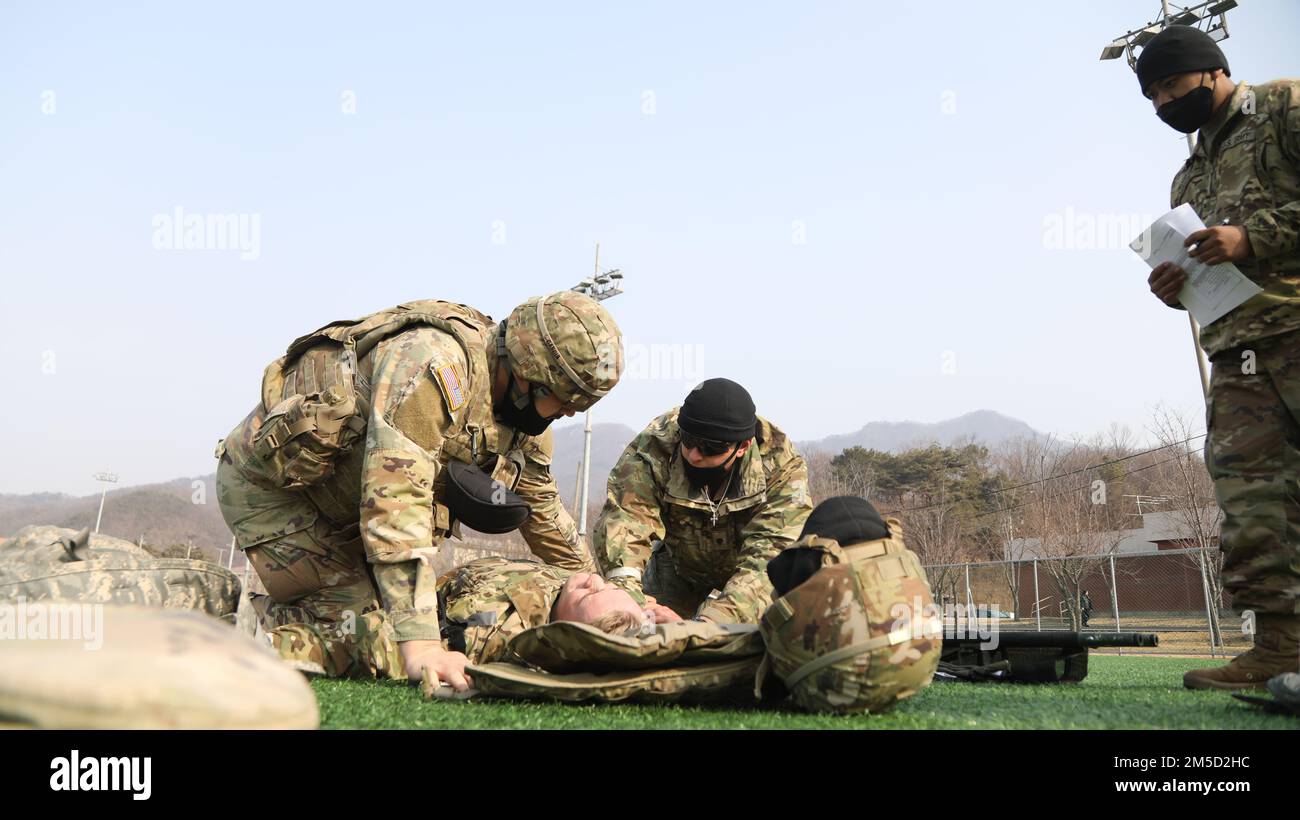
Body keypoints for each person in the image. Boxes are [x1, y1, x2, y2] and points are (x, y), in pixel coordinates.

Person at [217, 292, 623, 689]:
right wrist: (424, 644)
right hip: (275, 495)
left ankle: (242, 620)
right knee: (373, 638)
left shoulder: (523, 423)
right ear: (528, 374)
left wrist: (608, 591)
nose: (570, 412)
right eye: (566, 400)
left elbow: (544, 513)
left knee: (383, 626)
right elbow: (394, 503)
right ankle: (209, 621)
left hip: (347, 513)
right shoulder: (430, 364)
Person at [1136, 26, 1300, 690]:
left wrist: (1251, 237)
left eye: (1171, 86)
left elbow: (1246, 240)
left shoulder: (1286, 107)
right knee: (1254, 510)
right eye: (1151, 96)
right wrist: (1175, 288)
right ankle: (1282, 650)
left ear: (1212, 71)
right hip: (1238, 355)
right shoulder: (1188, 173)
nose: (1163, 104)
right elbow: (1209, 265)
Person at [262, 556, 680, 689]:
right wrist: (657, 615)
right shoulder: (613, 603)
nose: (588, 579)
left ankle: (253, 642)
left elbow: (381, 644)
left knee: (349, 636)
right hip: (390, 580)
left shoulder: (501, 636)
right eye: (600, 583)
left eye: (587, 594)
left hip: (392, 610)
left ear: (560, 635)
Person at [593, 377, 813, 624]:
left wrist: (710, 623)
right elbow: (626, 519)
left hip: (748, 578)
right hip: (677, 568)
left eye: (711, 448)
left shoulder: (780, 466)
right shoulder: (656, 446)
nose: (694, 455)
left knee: (739, 646)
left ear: (742, 446)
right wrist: (630, 599)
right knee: (642, 631)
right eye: (688, 440)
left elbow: (770, 557)